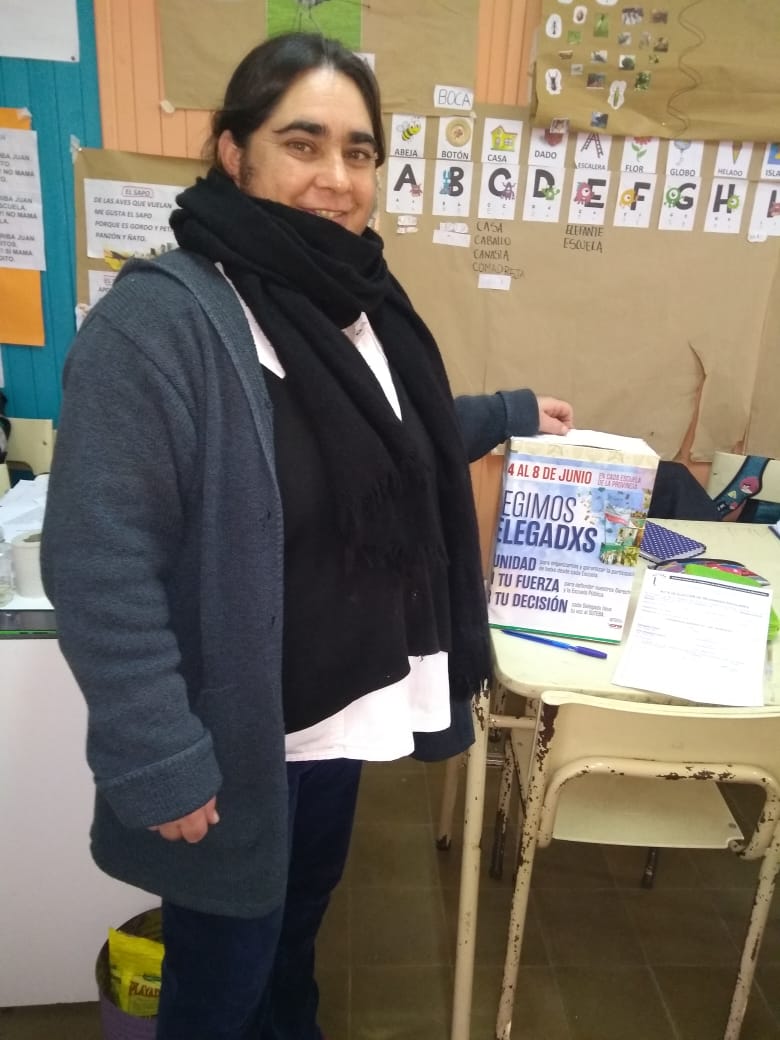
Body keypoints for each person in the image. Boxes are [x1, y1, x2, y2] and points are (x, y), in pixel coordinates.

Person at [41, 32, 573, 1040]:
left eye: (359, 151)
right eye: (303, 143)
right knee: (224, 969)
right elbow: (100, 560)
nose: (337, 176)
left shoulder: (354, 307)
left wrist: (506, 413)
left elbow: (393, 435)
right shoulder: (160, 325)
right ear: (233, 151)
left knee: (295, 931)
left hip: (336, 706)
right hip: (234, 732)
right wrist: (157, 753)